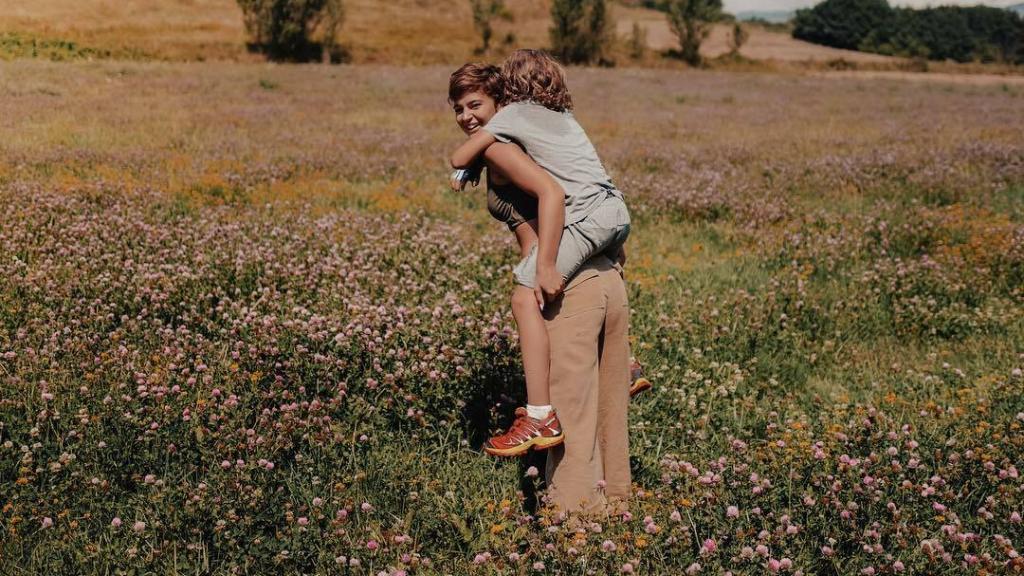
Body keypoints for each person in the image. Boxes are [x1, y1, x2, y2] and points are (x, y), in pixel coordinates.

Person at [449, 50, 638, 457]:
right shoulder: (554, 120)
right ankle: (627, 363)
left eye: (475, 105)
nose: (466, 116)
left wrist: (546, 266)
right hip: (613, 212)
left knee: (523, 299)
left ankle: (539, 416)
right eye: (458, 109)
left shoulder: (507, 127)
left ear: (504, 98)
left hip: (582, 222)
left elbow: (546, 190)